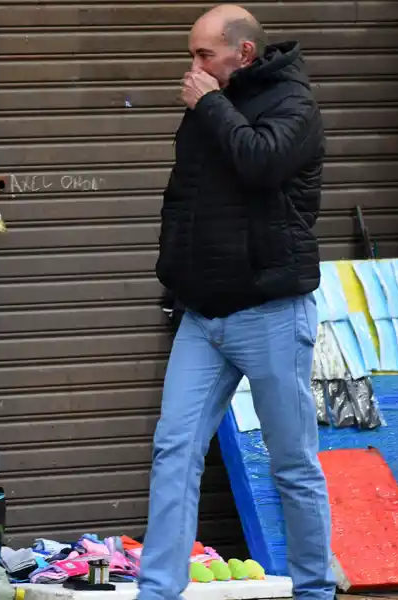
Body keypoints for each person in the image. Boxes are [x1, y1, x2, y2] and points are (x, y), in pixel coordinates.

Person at [139, 5, 335, 600]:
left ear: (243, 53)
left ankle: (315, 590)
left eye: (205, 54)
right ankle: (157, 590)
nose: (194, 67)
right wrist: (175, 275)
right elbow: (184, 197)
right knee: (174, 450)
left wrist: (210, 104)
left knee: (292, 462)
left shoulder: (294, 104)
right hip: (203, 314)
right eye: (192, 55)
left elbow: (260, 162)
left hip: (270, 310)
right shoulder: (209, 106)